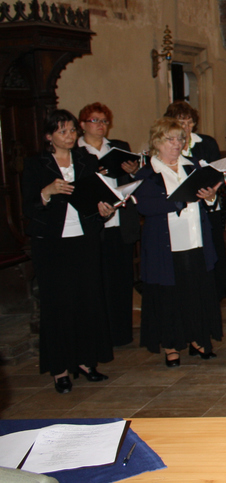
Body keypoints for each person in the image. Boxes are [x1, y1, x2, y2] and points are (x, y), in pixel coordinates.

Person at [22, 109, 115, 393]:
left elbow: (96, 197)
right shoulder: (36, 164)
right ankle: (60, 369)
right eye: (62, 131)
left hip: (84, 238)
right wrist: (47, 192)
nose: (70, 135)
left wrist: (105, 210)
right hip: (52, 243)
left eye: (73, 130)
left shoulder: (86, 160)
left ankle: (86, 361)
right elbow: (28, 206)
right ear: (48, 136)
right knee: (58, 305)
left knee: (87, 300)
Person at [134, 118, 223, 367]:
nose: (176, 143)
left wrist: (210, 197)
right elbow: (145, 207)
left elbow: (208, 201)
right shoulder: (148, 173)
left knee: (196, 292)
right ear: (156, 142)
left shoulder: (193, 166)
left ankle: (197, 339)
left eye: (180, 139)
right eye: (170, 139)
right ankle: (171, 345)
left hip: (195, 240)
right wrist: (178, 201)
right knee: (169, 296)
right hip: (166, 246)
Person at [77, 102, 140, 347]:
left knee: (121, 280)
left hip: (120, 223)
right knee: (96, 282)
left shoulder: (118, 147)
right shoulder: (77, 152)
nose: (101, 125)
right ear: (82, 124)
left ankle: (121, 334)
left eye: (104, 121)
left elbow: (131, 180)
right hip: (92, 225)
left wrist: (133, 171)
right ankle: (100, 334)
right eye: (95, 120)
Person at [165, 101, 226, 299]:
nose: (186, 127)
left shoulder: (206, 143)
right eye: (181, 123)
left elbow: (217, 171)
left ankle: (215, 293)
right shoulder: (169, 146)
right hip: (183, 208)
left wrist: (213, 188)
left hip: (208, 203)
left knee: (213, 250)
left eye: (189, 122)